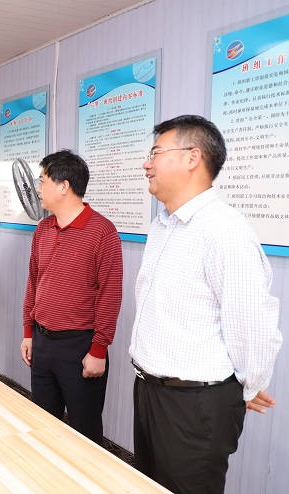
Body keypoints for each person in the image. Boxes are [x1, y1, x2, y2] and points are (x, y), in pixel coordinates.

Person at [130, 115, 282, 493]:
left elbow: (252, 325)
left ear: (192, 157)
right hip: (150, 391)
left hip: (193, 405)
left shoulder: (224, 231)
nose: (147, 164)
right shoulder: (163, 225)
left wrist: (248, 386)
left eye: (156, 153)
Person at [19, 150, 123, 446]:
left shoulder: (102, 231)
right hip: (42, 342)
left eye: (42, 181)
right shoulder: (43, 229)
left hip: (80, 347)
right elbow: (34, 282)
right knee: (43, 425)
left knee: (84, 432)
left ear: (64, 185)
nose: (38, 188)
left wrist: (99, 349)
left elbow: (110, 294)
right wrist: (28, 332)